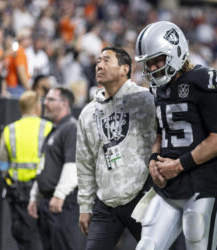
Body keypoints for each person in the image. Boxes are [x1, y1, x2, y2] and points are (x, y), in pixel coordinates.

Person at [134, 21, 217, 250]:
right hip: (169, 184)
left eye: (158, 59)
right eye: (148, 62)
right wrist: (153, 164)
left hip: (202, 183)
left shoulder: (203, 80)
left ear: (175, 51)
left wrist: (178, 165)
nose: (153, 67)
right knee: (146, 246)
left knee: (197, 238)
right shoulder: (157, 88)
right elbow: (159, 132)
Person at [76, 46, 156, 249]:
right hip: (106, 201)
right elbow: (84, 162)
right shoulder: (88, 112)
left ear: (125, 69)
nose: (99, 66)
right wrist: (85, 206)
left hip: (143, 196)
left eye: (106, 61)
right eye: (97, 62)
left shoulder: (146, 100)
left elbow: (164, 139)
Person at [27, 86, 83, 250]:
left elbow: (73, 164)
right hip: (47, 201)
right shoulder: (54, 129)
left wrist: (59, 195)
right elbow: (44, 165)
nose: (45, 103)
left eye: (51, 99)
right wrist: (34, 196)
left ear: (65, 104)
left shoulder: (71, 128)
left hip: (63, 203)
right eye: (46, 99)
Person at [0, 91, 52, 250]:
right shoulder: (48, 127)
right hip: (44, 191)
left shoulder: (10, 130)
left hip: (19, 193)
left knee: (25, 238)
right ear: (37, 107)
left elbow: (2, 164)